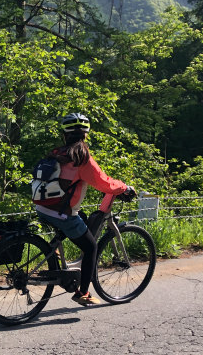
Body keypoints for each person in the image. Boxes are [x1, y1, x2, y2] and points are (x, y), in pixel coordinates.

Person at [35, 112, 135, 306]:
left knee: (81, 215)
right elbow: (103, 183)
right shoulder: (81, 158)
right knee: (91, 247)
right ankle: (83, 292)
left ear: (65, 135)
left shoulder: (57, 153)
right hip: (61, 213)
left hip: (43, 207)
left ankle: (54, 250)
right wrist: (124, 188)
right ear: (85, 135)